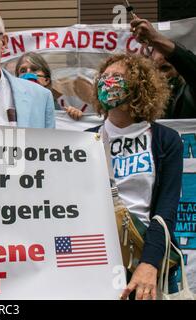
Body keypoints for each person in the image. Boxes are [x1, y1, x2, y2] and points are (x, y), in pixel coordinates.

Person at [87, 53, 183, 300]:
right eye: (104, 78)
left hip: (145, 255)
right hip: (96, 258)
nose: (108, 83)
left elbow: (166, 209)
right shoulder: (85, 140)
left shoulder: (166, 140)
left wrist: (149, 263)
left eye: (117, 77)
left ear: (139, 86)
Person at [130, 16, 196, 118]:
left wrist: (155, 39)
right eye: (159, 51)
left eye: (169, 55)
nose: (164, 57)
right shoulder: (139, 99)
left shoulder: (190, 93)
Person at [14, 52, 84, 120]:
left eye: (34, 70)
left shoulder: (57, 109)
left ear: (46, 80)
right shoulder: (9, 106)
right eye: (23, 71)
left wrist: (74, 116)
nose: (28, 74)